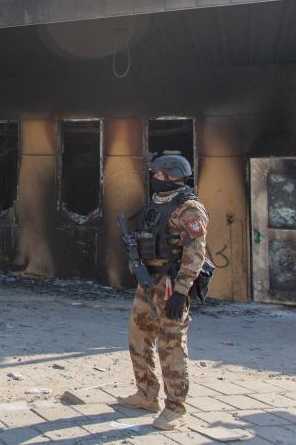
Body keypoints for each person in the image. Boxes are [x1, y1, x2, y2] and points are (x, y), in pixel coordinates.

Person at [117, 154, 208, 431]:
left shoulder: (189, 208)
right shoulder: (158, 203)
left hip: (171, 285)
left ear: (169, 176)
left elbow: (196, 252)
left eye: (157, 174)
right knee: (138, 335)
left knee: (171, 344)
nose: (153, 178)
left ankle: (176, 407)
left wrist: (182, 292)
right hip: (148, 282)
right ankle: (146, 394)